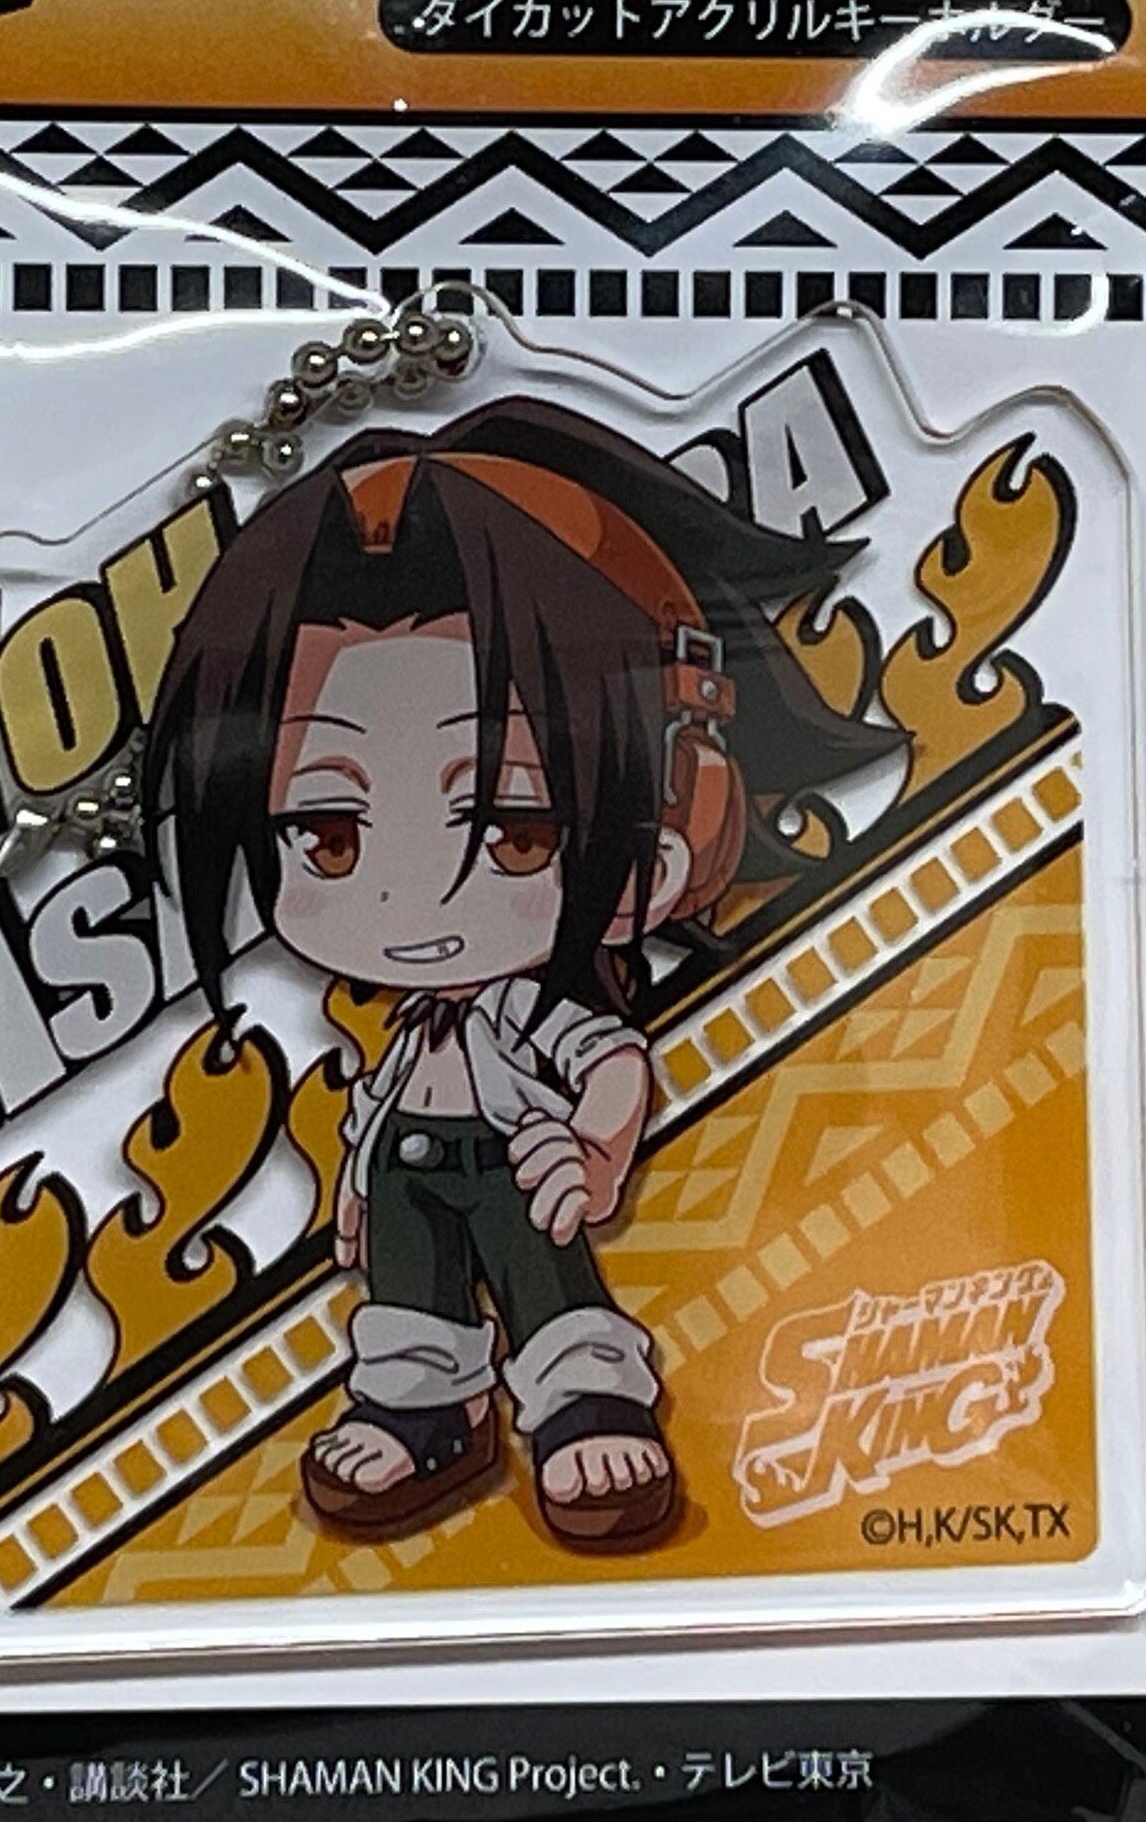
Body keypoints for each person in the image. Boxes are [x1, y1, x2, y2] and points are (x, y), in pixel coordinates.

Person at [145, 398, 900, 1545]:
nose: (402, 900)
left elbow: (612, 1059)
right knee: (407, 1286)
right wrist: (354, 1189)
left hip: (521, 1162)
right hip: (406, 1160)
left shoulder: (527, 1005)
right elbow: (375, 1107)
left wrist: (597, 1149)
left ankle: (584, 1399)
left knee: (545, 1277)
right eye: (328, 835)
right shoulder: (412, 1029)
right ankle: (420, 1407)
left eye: (509, 828)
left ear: (673, 812)